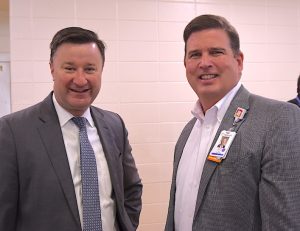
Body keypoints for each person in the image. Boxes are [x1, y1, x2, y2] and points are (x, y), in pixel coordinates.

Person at [165, 14, 300, 231]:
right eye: (195, 55)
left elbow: (285, 223)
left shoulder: (278, 119)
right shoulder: (188, 132)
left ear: (238, 61)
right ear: (185, 64)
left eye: (216, 52)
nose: (205, 62)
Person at [0, 27, 142, 231]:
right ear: (51, 69)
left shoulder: (114, 125)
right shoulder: (12, 131)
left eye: (90, 69)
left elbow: (131, 189)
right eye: (69, 68)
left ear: (101, 70)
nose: (80, 79)